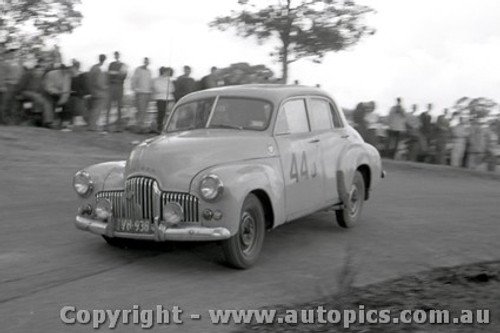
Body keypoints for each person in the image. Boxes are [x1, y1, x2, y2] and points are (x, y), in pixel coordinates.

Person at [106, 51, 127, 131]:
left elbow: (123, 75)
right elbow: (109, 74)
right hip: (112, 86)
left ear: (119, 56)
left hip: (119, 86)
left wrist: (115, 74)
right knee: (109, 106)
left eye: (117, 55)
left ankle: (119, 127)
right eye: (115, 55)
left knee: (119, 106)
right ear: (114, 56)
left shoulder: (123, 65)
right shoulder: (111, 64)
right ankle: (107, 126)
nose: (116, 56)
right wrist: (117, 74)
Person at [87, 54, 108, 131]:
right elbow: (99, 82)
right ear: (104, 60)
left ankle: (91, 125)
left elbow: (89, 80)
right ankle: (93, 126)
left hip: (92, 91)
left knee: (93, 109)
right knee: (97, 109)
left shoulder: (93, 67)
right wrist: (104, 87)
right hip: (99, 92)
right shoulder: (100, 69)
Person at [131, 57, 153, 130]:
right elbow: (134, 80)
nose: (146, 63)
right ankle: (138, 125)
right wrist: (136, 89)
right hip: (140, 93)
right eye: (145, 61)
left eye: (147, 62)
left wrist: (150, 91)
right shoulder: (138, 70)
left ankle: (142, 125)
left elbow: (150, 82)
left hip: (147, 92)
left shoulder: (149, 71)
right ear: (143, 61)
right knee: (140, 109)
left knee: (145, 110)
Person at [152, 66, 175, 132]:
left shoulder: (169, 80)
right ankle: (159, 128)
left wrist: (167, 90)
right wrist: (166, 90)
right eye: (167, 72)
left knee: (170, 114)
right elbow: (157, 89)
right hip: (160, 98)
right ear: (163, 72)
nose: (168, 73)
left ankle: (168, 127)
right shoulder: (157, 80)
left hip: (169, 98)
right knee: (161, 113)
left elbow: (172, 89)